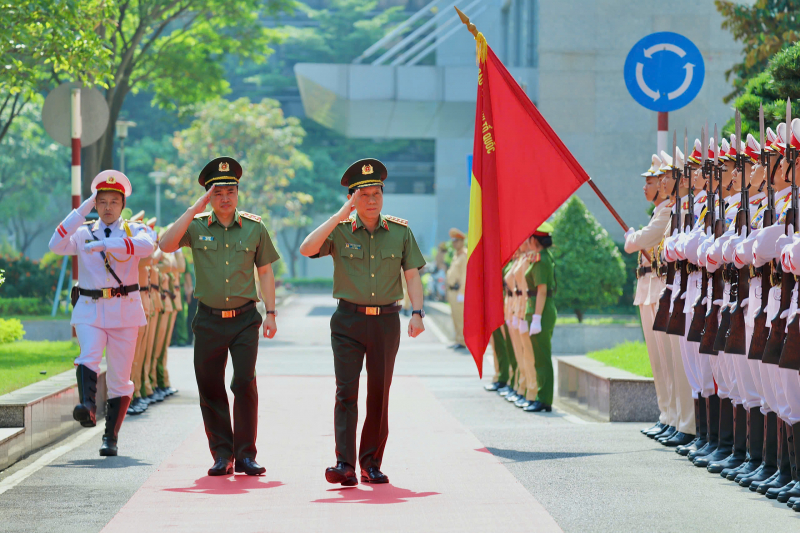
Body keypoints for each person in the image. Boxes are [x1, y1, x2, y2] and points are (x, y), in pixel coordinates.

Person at [299, 158, 427, 486]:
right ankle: (345, 465)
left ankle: (371, 463)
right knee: (346, 392)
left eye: (377, 194)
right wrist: (340, 216)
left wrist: (416, 312)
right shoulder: (340, 231)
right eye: (364, 195)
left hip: (386, 322)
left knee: (378, 394)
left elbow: (411, 275)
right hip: (347, 322)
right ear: (352, 198)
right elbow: (306, 248)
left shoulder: (399, 232)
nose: (372, 200)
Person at [159, 156, 280, 477]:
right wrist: (193, 209)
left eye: (230, 191)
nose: (225, 198)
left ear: (238, 193)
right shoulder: (196, 226)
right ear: (209, 196)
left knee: (244, 383)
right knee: (210, 385)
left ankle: (246, 456)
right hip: (209, 319)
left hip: (244, 319)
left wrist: (270, 312)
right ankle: (222, 454)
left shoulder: (255, 227)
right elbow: (166, 244)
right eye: (217, 192)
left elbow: (265, 272)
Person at [48, 170, 155, 456]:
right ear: (95, 204)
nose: (108, 207)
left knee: (120, 378)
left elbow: (150, 246)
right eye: (102, 201)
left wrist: (108, 244)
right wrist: (81, 210)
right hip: (90, 309)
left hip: (124, 312)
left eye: (114, 202)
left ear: (122, 205)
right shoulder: (83, 232)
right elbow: (55, 244)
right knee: (89, 355)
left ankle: (111, 437)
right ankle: (87, 406)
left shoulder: (135, 230)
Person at [625, 155, 675, 437]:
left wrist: (632, 238)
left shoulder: (668, 210)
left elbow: (642, 240)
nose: (646, 187)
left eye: (651, 181)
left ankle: (675, 418)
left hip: (659, 288)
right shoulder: (659, 211)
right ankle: (666, 414)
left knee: (668, 361)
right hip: (647, 288)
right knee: (657, 361)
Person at [523, 222, 557, 412]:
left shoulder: (542, 260)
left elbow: (542, 291)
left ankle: (544, 399)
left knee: (542, 357)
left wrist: (536, 317)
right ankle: (541, 396)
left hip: (541, 311)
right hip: (538, 310)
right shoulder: (540, 257)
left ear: (534, 240)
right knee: (539, 356)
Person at [446, 228, 468, 349]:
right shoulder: (456, 255)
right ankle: (458, 339)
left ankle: (462, 341)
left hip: (458, 291)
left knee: (460, 317)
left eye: (456, 241)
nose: (454, 243)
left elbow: (465, 275)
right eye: (453, 241)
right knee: (455, 316)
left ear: (461, 242)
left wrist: (462, 292)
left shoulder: (463, 256)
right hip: (452, 291)